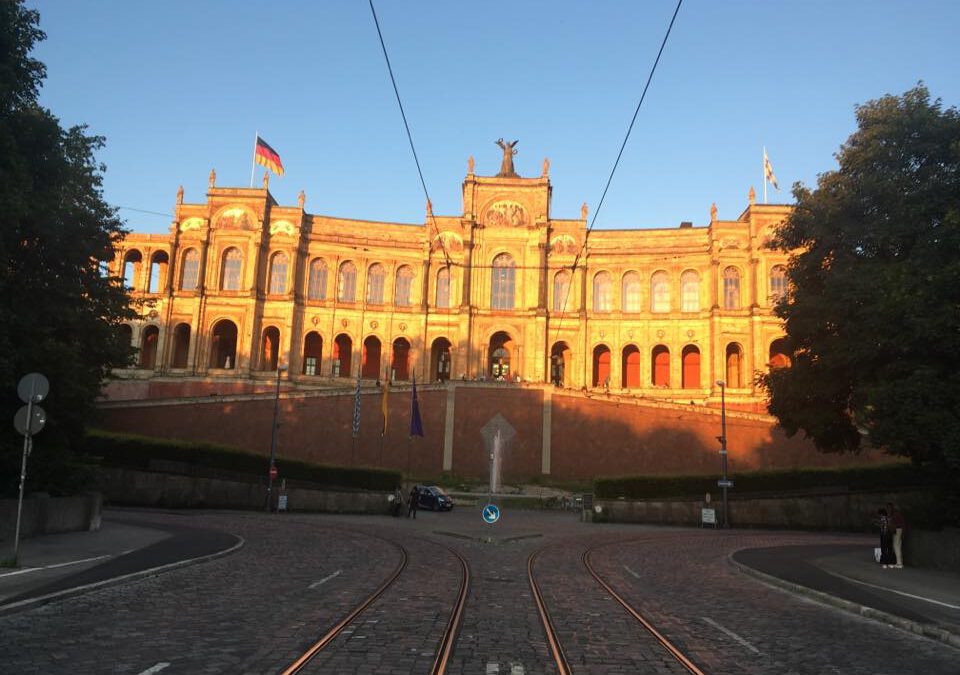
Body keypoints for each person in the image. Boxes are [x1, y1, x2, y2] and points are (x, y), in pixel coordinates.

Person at [887, 502, 906, 568]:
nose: (888, 509)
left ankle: (899, 563)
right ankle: (899, 562)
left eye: (889, 508)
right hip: (899, 529)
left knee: (896, 546)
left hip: (897, 530)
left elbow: (893, 523)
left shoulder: (895, 514)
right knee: (898, 546)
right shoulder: (896, 514)